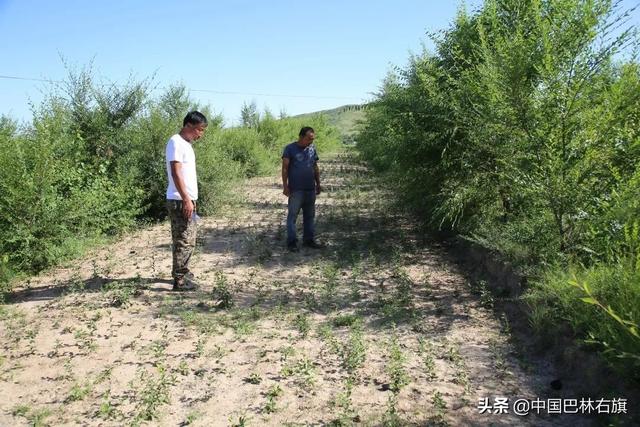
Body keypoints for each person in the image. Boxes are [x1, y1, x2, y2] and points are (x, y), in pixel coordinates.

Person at [166, 111, 208, 290]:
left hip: (186, 199)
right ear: (189, 126)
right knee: (184, 240)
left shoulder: (186, 145)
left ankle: (183, 271)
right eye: (199, 130)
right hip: (180, 200)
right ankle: (180, 281)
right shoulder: (176, 142)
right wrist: (186, 199)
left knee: (188, 239)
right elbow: (175, 172)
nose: (201, 134)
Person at [282, 126, 323, 252]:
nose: (311, 141)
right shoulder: (290, 149)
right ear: (301, 137)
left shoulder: (312, 149)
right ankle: (292, 243)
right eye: (309, 139)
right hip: (296, 190)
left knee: (309, 216)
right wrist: (285, 186)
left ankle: (309, 240)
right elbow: (285, 168)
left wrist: (318, 183)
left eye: (312, 139)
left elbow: (315, 167)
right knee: (292, 216)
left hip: (310, 189)